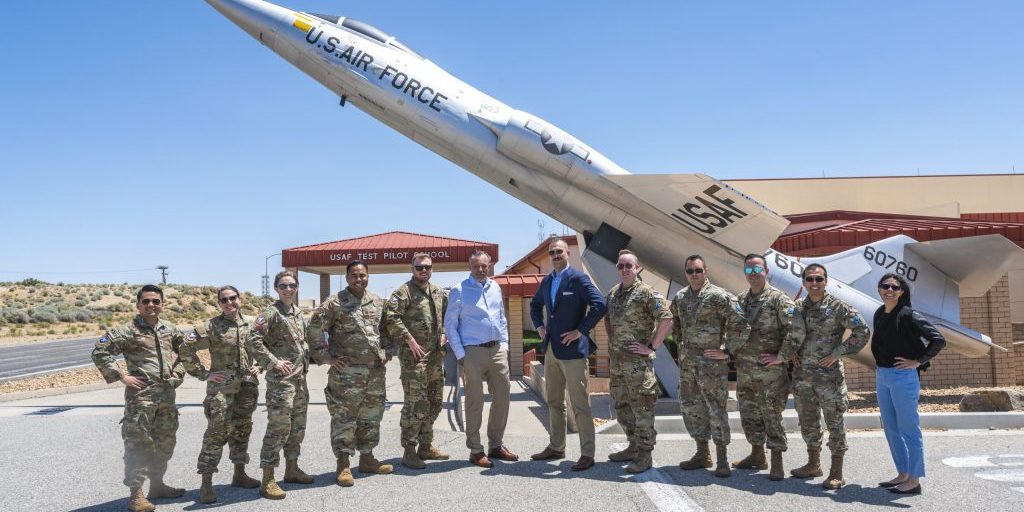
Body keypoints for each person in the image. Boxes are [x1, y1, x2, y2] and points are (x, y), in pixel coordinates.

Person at [91, 284, 187, 512]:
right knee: (138, 444)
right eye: (146, 301)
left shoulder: (170, 329)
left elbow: (186, 353)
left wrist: (178, 373)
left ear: (162, 304)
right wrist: (121, 376)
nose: (151, 305)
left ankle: (157, 486)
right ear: (138, 305)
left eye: (155, 301)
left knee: (165, 442)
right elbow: (99, 351)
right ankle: (136, 495)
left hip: (167, 396)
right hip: (141, 398)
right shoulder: (128, 330)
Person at [308, 260, 394, 487]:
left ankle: (367, 458)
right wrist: (324, 357)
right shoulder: (335, 303)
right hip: (346, 374)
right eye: (354, 275)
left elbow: (386, 329)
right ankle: (343, 464)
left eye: (363, 275)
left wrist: (388, 350)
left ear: (368, 276)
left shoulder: (376, 301)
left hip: (374, 372)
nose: (359, 279)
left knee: (372, 415)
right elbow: (315, 328)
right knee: (344, 418)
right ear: (347, 277)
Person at [785, 263, 869, 490]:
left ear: (826, 281)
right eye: (810, 279)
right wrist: (791, 349)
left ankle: (836, 472)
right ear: (803, 282)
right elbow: (789, 332)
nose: (814, 283)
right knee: (808, 422)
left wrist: (838, 353)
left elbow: (863, 331)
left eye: (819, 279)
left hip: (828, 378)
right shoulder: (798, 308)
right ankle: (813, 464)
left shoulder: (838, 307)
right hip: (803, 378)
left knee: (834, 423)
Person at [528, 238, 607, 471]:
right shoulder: (547, 280)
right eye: (552, 252)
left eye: (559, 252)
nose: (555, 255)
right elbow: (534, 306)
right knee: (553, 401)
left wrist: (580, 331)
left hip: (573, 352)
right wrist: (539, 327)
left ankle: (587, 453)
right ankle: (556, 446)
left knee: (580, 404)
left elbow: (600, 305)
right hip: (551, 350)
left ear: (568, 254)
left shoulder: (579, 279)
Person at [179, 285, 262, 504]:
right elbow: (185, 349)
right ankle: (206, 484)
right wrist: (204, 374)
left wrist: (261, 366)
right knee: (216, 432)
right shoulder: (211, 327)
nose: (229, 303)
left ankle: (239, 473)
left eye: (233, 298)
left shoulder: (253, 324)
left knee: (243, 428)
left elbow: (267, 347)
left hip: (247, 386)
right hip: (221, 390)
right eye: (224, 300)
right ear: (219, 303)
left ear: (240, 299)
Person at [672, 255, 750, 478]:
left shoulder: (719, 296)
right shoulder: (680, 297)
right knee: (691, 408)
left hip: (712, 367)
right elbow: (676, 328)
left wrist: (726, 351)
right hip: (689, 367)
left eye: (698, 270)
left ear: (706, 270)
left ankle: (722, 459)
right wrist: (682, 352)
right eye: (690, 271)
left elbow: (742, 325)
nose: (694, 275)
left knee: (716, 410)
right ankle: (702, 453)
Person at [444, 250, 519, 468]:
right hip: (472, 352)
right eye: (476, 266)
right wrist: (460, 354)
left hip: (496, 350)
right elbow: (451, 326)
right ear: (470, 266)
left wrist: (504, 346)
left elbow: (502, 318)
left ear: (489, 266)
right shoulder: (459, 290)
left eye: (484, 266)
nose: (480, 269)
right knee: (475, 401)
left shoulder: (495, 287)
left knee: (502, 397)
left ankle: (496, 445)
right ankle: (475, 450)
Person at [872, 272, 945, 495]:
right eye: (885, 286)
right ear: (879, 288)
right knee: (891, 429)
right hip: (882, 375)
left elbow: (938, 339)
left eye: (895, 287)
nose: (889, 290)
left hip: (903, 376)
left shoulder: (909, 315)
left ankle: (914, 480)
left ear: (902, 292)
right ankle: (902, 473)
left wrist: (918, 361)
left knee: (909, 430)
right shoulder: (879, 313)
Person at [603, 249, 672, 473]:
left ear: (637, 268)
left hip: (638, 365)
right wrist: (612, 342)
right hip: (618, 364)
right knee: (623, 406)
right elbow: (608, 319)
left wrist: (651, 347)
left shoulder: (646, 292)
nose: (624, 270)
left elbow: (667, 318)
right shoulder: (613, 293)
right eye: (620, 266)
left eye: (628, 266)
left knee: (642, 408)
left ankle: (645, 454)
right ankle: (632, 446)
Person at [733, 254, 800, 481]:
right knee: (749, 415)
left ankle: (777, 462)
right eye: (749, 271)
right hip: (745, 372)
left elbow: (796, 330)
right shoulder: (741, 300)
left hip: (770, 374)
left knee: (771, 416)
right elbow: (733, 329)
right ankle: (756, 455)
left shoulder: (778, 299)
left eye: (757, 270)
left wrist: (782, 357)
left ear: (766, 271)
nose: (753, 275)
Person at [247, 270, 313, 500]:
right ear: (276, 288)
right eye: (283, 285)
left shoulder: (297, 313)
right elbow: (252, 339)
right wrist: (273, 362)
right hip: (281, 384)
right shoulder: (271, 313)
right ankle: (268, 478)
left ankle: (292, 469)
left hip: (300, 381)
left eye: (292, 285)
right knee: (278, 429)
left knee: (297, 428)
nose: (288, 289)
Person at [382, 254, 450, 470]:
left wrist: (445, 334)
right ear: (412, 269)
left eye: (427, 267)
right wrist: (408, 339)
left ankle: (426, 445)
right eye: (419, 267)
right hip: (415, 360)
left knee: (435, 401)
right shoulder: (403, 293)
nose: (423, 271)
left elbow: (448, 317)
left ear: (432, 269)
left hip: (435, 358)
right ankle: (409, 450)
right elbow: (391, 317)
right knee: (416, 405)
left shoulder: (439, 292)